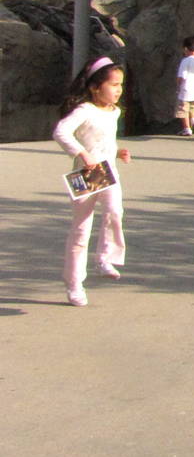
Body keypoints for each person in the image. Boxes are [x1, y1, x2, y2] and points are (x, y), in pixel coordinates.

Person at [53, 56, 132, 307]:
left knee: (114, 211)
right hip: (85, 175)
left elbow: (105, 140)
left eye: (121, 85)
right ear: (95, 87)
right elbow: (61, 132)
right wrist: (81, 153)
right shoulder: (84, 110)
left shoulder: (115, 112)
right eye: (113, 84)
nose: (118, 90)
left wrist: (118, 152)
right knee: (80, 230)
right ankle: (74, 284)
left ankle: (105, 257)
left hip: (107, 171)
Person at [174, 35, 194, 136]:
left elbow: (181, 76)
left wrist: (178, 85)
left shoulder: (186, 60)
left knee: (183, 109)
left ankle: (187, 128)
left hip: (186, 89)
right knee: (192, 106)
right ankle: (193, 119)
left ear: (185, 49)